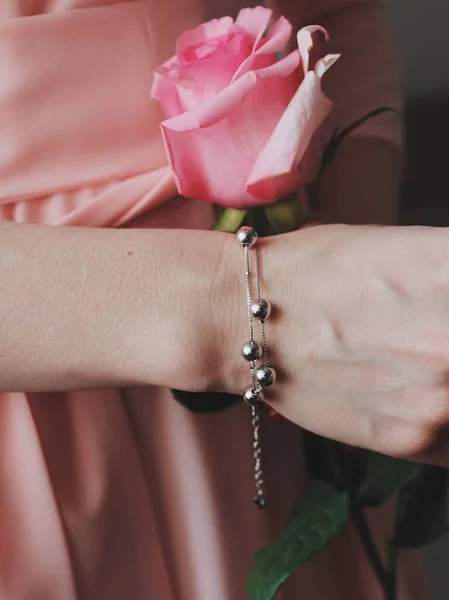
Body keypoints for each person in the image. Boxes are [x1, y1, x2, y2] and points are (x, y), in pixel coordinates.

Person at [0, 0, 440, 598]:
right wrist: (238, 311)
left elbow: (344, 16)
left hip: (313, 377)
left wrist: (359, 295)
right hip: (37, 367)